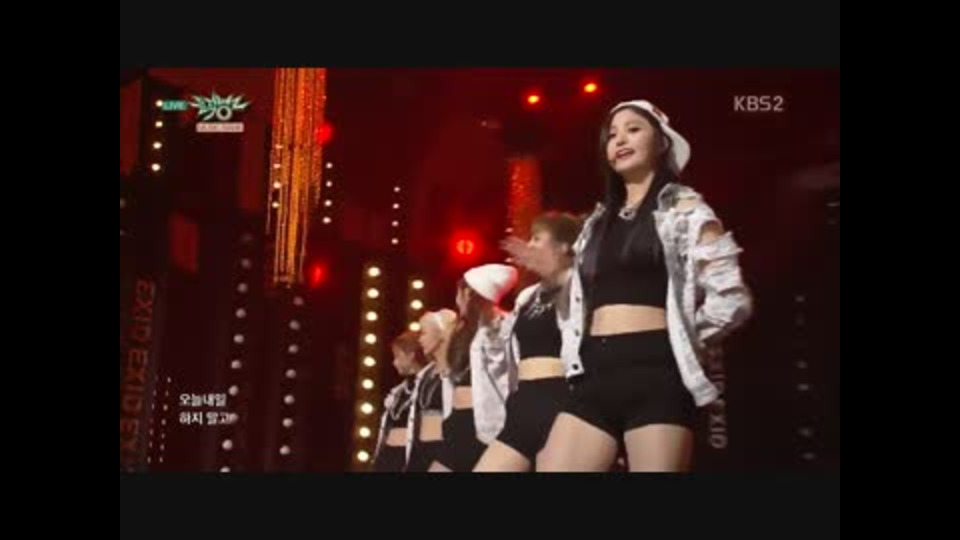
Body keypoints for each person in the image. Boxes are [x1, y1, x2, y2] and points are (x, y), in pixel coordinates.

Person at [506, 99, 753, 472]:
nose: (619, 140)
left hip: (655, 374)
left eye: (633, 129)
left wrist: (682, 339)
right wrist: (555, 275)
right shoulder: (595, 225)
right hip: (593, 373)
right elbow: (578, 300)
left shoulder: (685, 212)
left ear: (661, 143)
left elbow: (731, 299)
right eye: (612, 135)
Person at [473, 212, 582, 471]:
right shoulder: (527, 296)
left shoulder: (578, 285)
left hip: (559, 399)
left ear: (563, 246)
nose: (529, 246)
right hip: (524, 400)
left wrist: (555, 270)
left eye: (537, 239)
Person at [429, 264, 518, 472]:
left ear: (468, 293)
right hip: (457, 422)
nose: (456, 301)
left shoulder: (503, 326)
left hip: (480, 423)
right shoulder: (463, 332)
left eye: (458, 293)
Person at [405, 309, 457, 472]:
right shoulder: (425, 374)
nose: (420, 339)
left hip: (444, 452)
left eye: (424, 333)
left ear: (441, 334)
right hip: (419, 450)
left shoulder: (458, 372)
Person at [371, 330, 428, 472]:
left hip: (407, 459)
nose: (394, 363)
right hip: (388, 457)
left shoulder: (428, 388)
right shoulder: (399, 391)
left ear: (411, 356)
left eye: (397, 357)